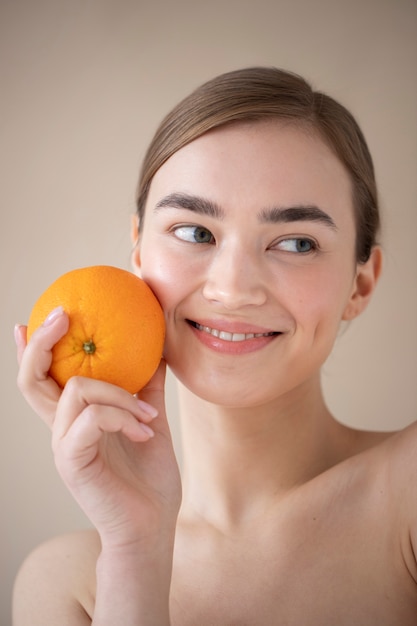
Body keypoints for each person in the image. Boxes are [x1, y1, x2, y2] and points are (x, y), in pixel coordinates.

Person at [12, 67, 417, 625]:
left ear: (360, 283)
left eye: (297, 242)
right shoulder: (66, 582)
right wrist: (136, 551)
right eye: (195, 232)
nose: (232, 289)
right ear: (138, 252)